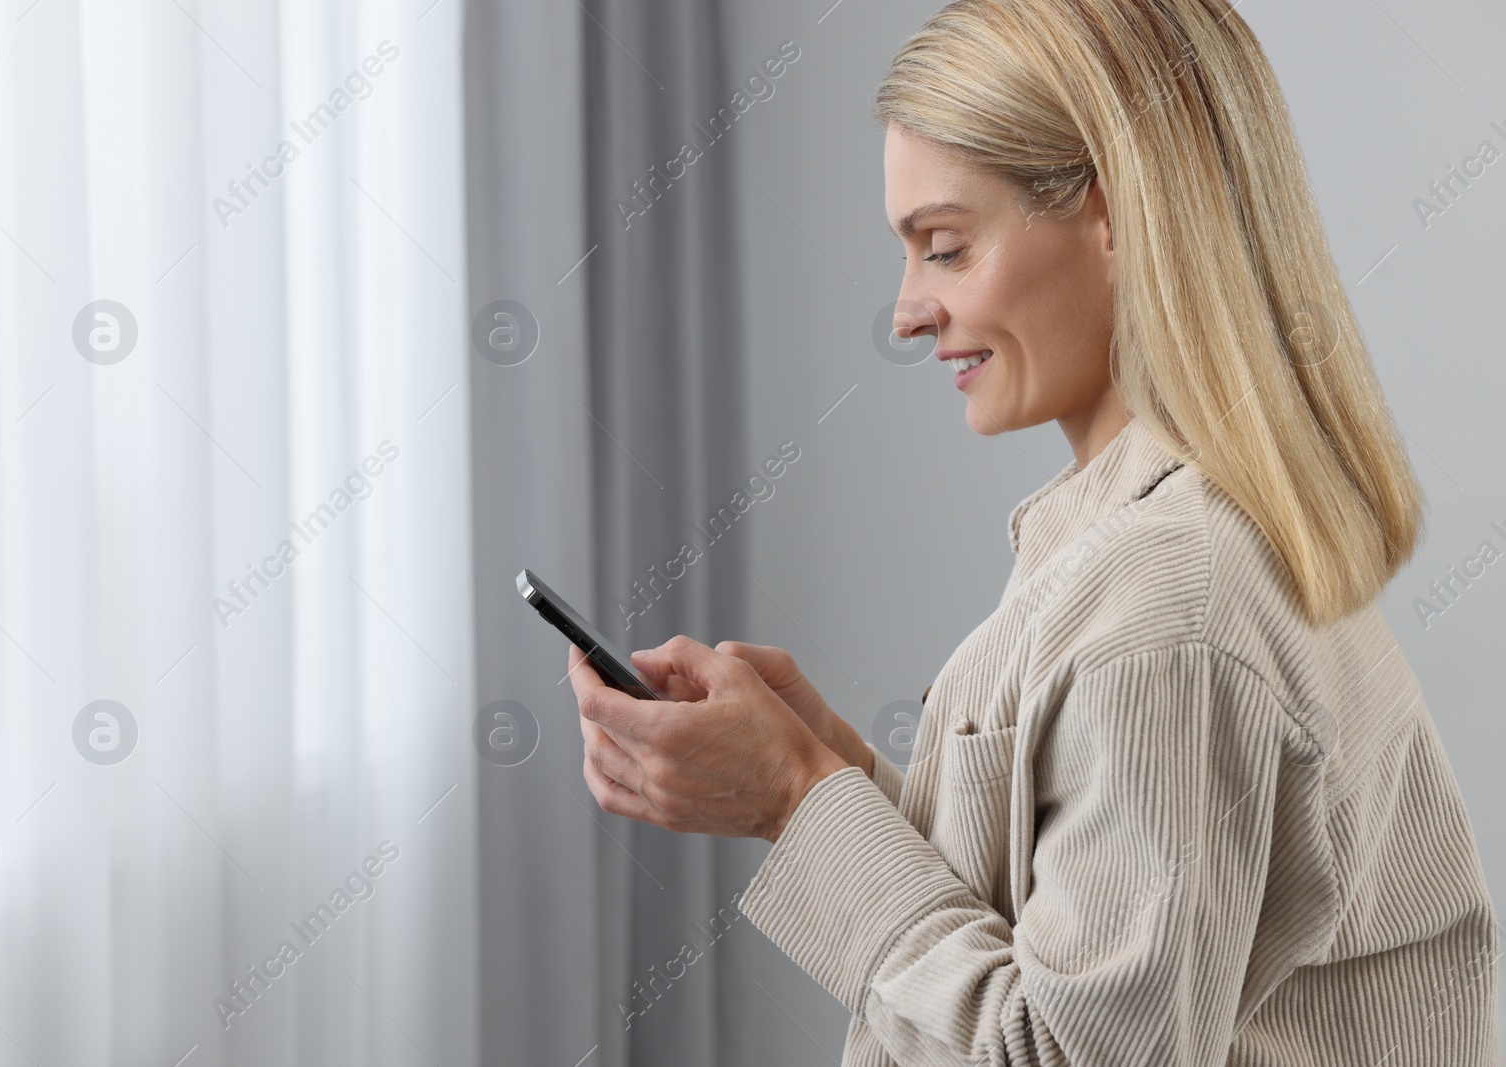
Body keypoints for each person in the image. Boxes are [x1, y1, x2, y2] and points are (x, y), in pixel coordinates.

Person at [567, 0, 1501, 1062]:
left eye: (946, 247)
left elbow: (1063, 1051)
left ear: (1114, 214)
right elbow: (1073, 944)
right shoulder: (1162, 545)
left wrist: (798, 798)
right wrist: (830, 772)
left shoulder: (1167, 604)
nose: (907, 309)